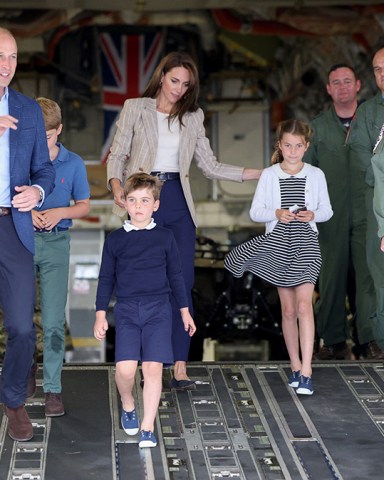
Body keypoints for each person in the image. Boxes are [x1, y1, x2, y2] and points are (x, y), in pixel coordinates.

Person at [106, 51, 261, 389]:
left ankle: (179, 366)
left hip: (177, 199)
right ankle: (149, 363)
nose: (178, 88)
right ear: (162, 76)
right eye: (174, 80)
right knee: (141, 282)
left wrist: (260, 173)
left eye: (185, 84)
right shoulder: (136, 107)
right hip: (142, 198)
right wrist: (118, 187)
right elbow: (117, 155)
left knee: (181, 282)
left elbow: (211, 166)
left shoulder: (193, 116)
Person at [224, 119, 333, 395]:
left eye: (298, 146)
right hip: (278, 244)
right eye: (287, 145)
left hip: (306, 242)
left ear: (306, 147)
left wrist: (313, 215)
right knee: (288, 310)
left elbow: (327, 211)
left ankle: (307, 370)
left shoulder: (316, 175)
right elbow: (255, 212)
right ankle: (295, 365)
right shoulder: (270, 175)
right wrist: (276, 213)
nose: (293, 151)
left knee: (304, 306)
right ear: (279, 146)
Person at [94, 172, 196, 448]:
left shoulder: (165, 238)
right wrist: (100, 313)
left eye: (145, 200)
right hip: (127, 310)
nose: (138, 206)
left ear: (156, 205)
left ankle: (148, 427)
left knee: (152, 369)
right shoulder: (115, 239)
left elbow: (176, 276)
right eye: (133, 200)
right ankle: (128, 404)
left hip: (159, 310)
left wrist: (185, 311)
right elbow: (106, 278)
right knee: (126, 371)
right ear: (124, 203)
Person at [0, 28, 55, 442]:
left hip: (11, 226)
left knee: (21, 327)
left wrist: (37, 191)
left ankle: (14, 400)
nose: (6, 65)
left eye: (13, 57)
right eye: (0, 56)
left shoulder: (28, 110)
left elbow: (45, 170)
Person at [304, 64, 378, 360]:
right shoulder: (317, 127)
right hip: (330, 217)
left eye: (348, 81)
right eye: (337, 82)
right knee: (331, 277)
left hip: (368, 214)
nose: (343, 86)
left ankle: (370, 339)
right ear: (329, 89)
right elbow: (305, 174)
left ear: (359, 85)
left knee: (369, 279)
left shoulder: (375, 122)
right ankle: (333, 340)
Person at [27, 97, 90, 416]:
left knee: (52, 321)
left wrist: (59, 212)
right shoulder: (18, 158)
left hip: (56, 243)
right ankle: (25, 372)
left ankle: (52, 388)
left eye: (48, 136)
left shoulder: (73, 163)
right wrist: (28, 216)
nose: (42, 141)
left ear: (59, 130)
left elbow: (84, 204)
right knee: (19, 319)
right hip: (21, 241)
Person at [348, 48, 384, 357]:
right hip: (378, 199)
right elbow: (361, 153)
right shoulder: (368, 112)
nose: (383, 74)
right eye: (377, 69)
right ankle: (377, 339)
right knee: (376, 270)